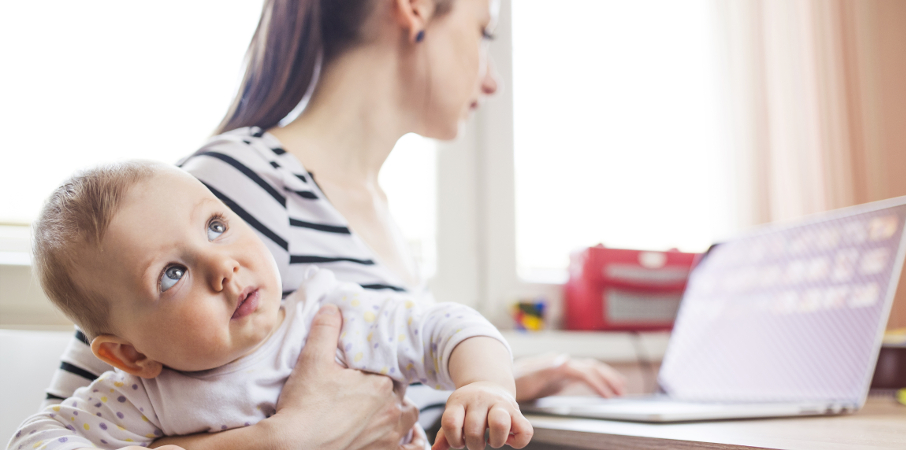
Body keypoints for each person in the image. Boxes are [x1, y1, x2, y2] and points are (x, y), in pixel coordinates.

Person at [40, 0, 626, 448]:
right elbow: (82, 417)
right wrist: (284, 441)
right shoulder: (247, 178)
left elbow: (370, 386)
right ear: (416, 9)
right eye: (482, 31)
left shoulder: (380, 213)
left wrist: (494, 381)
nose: (493, 79)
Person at [13, 162, 532, 450]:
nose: (222, 268)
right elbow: (34, 439)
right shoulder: (146, 397)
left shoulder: (332, 318)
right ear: (128, 354)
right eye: (173, 275)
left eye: (216, 226)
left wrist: (485, 385)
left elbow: (446, 326)